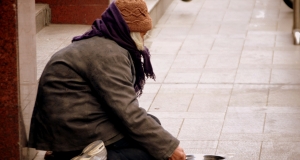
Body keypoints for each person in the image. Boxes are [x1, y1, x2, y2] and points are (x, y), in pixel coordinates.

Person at [28, 0, 186, 160]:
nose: (144, 37)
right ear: (128, 31)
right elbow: (127, 112)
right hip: (74, 131)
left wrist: (163, 143)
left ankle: (67, 154)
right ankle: (77, 157)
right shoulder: (110, 54)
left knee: (153, 125)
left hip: (69, 128)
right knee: (152, 154)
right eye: (142, 32)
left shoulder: (103, 43)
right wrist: (169, 148)